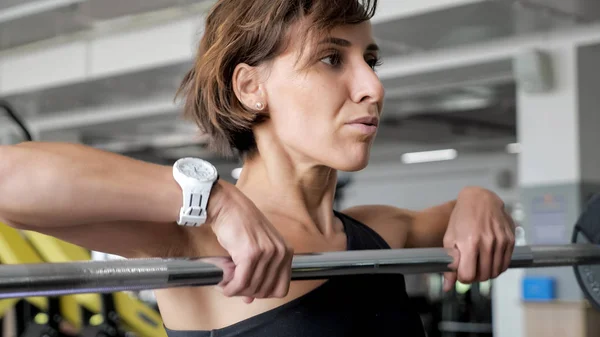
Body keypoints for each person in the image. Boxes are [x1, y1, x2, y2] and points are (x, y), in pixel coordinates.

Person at [0, 0, 516, 336]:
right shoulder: (197, 242)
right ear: (250, 88)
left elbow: (455, 217)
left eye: (370, 60)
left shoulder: (379, 233)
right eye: (333, 59)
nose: (373, 87)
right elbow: (10, 181)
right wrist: (215, 198)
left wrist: (481, 198)